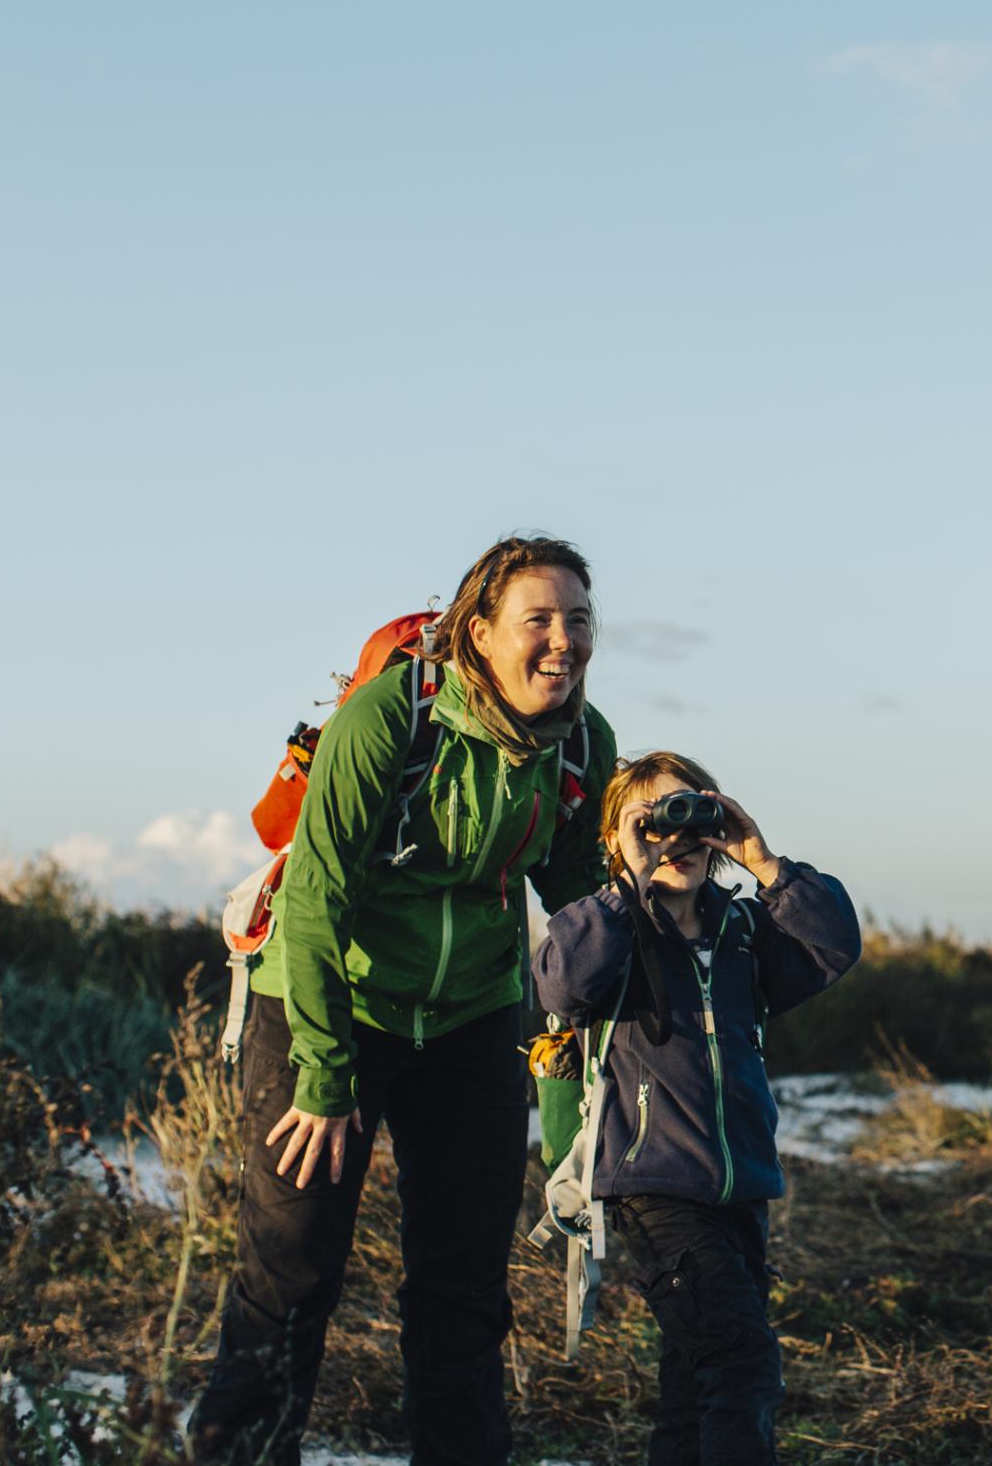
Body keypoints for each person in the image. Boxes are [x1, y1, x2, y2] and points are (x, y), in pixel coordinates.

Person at [190, 535, 619, 1466]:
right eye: (537, 620)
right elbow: (313, 900)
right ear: (479, 632)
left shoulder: (583, 742)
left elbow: (580, 895)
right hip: (327, 1004)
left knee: (464, 1288)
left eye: (578, 620)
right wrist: (325, 1073)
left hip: (472, 1017)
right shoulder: (390, 719)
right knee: (293, 1268)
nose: (563, 642)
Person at [535, 751, 860, 1466]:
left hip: (741, 1186)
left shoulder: (744, 930)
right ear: (613, 837)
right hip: (653, 1187)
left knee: (693, 1384)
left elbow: (836, 944)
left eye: (691, 813)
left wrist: (764, 861)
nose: (673, 836)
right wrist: (629, 881)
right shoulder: (608, 929)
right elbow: (560, 985)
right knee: (742, 1359)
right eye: (651, 820)